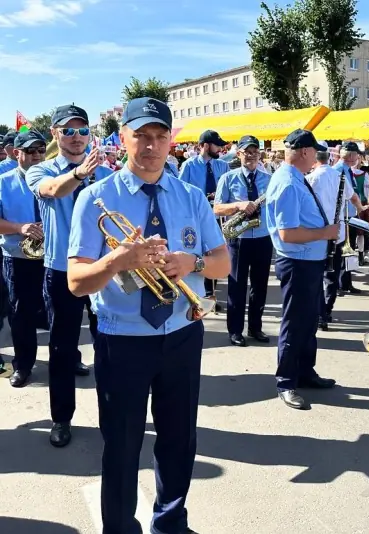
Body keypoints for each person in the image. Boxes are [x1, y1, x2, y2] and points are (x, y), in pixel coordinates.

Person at [67, 97, 229, 534]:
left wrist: (189, 263)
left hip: (181, 333)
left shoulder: (191, 196)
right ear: (123, 139)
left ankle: (171, 521)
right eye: (141, 136)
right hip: (122, 340)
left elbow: (221, 263)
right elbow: (77, 281)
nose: (151, 146)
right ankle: (119, 527)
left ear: (171, 141)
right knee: (121, 446)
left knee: (179, 440)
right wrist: (118, 260)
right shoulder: (96, 198)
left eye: (160, 137)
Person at [26, 104, 113, 447]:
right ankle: (61, 418)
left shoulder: (105, 173)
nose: (77, 138)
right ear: (55, 134)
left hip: (101, 270)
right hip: (62, 271)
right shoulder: (41, 169)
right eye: (69, 131)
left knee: (108, 346)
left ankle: (112, 415)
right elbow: (51, 190)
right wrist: (78, 175)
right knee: (62, 349)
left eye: (82, 131)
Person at [264, 129, 339, 410]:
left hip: (307, 261)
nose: (316, 158)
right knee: (295, 323)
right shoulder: (288, 183)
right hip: (298, 262)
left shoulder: (295, 178)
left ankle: (305, 372)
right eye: (314, 152)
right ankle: (286, 381)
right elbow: (288, 234)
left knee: (308, 321)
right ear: (305, 152)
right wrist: (325, 233)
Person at [214, 135, 273, 347]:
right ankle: (235, 330)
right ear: (239, 154)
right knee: (237, 286)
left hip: (263, 238)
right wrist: (239, 206)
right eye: (247, 151)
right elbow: (217, 208)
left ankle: (255, 327)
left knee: (260, 286)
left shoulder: (268, 178)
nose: (251, 155)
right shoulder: (228, 178)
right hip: (238, 239)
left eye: (255, 151)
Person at [0, 130, 47, 387]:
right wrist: (21, 228)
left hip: (52, 256)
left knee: (61, 312)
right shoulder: (3, 182)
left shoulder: (53, 178)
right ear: (16, 153)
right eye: (30, 151)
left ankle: (70, 358)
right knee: (21, 314)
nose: (37, 156)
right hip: (18, 257)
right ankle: (23, 365)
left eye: (41, 150)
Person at [307, 142, 364, 330]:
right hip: (337, 235)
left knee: (317, 276)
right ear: (330, 158)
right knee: (332, 276)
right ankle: (327, 312)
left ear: (315, 159)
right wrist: (360, 209)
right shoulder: (339, 176)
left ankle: (319, 313)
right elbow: (353, 197)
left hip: (317, 235)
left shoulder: (310, 179)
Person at [178, 129, 229, 300]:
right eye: (217, 145)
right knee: (201, 253)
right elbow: (181, 192)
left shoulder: (223, 165)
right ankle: (204, 294)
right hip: (197, 217)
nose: (220, 149)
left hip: (218, 216)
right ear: (205, 146)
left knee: (217, 252)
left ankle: (212, 292)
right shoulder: (189, 166)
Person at [332, 143, 367, 297]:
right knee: (341, 251)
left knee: (349, 250)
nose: (357, 157)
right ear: (349, 155)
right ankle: (339, 283)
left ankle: (346, 282)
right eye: (355, 154)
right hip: (343, 217)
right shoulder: (338, 170)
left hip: (350, 215)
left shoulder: (347, 169)